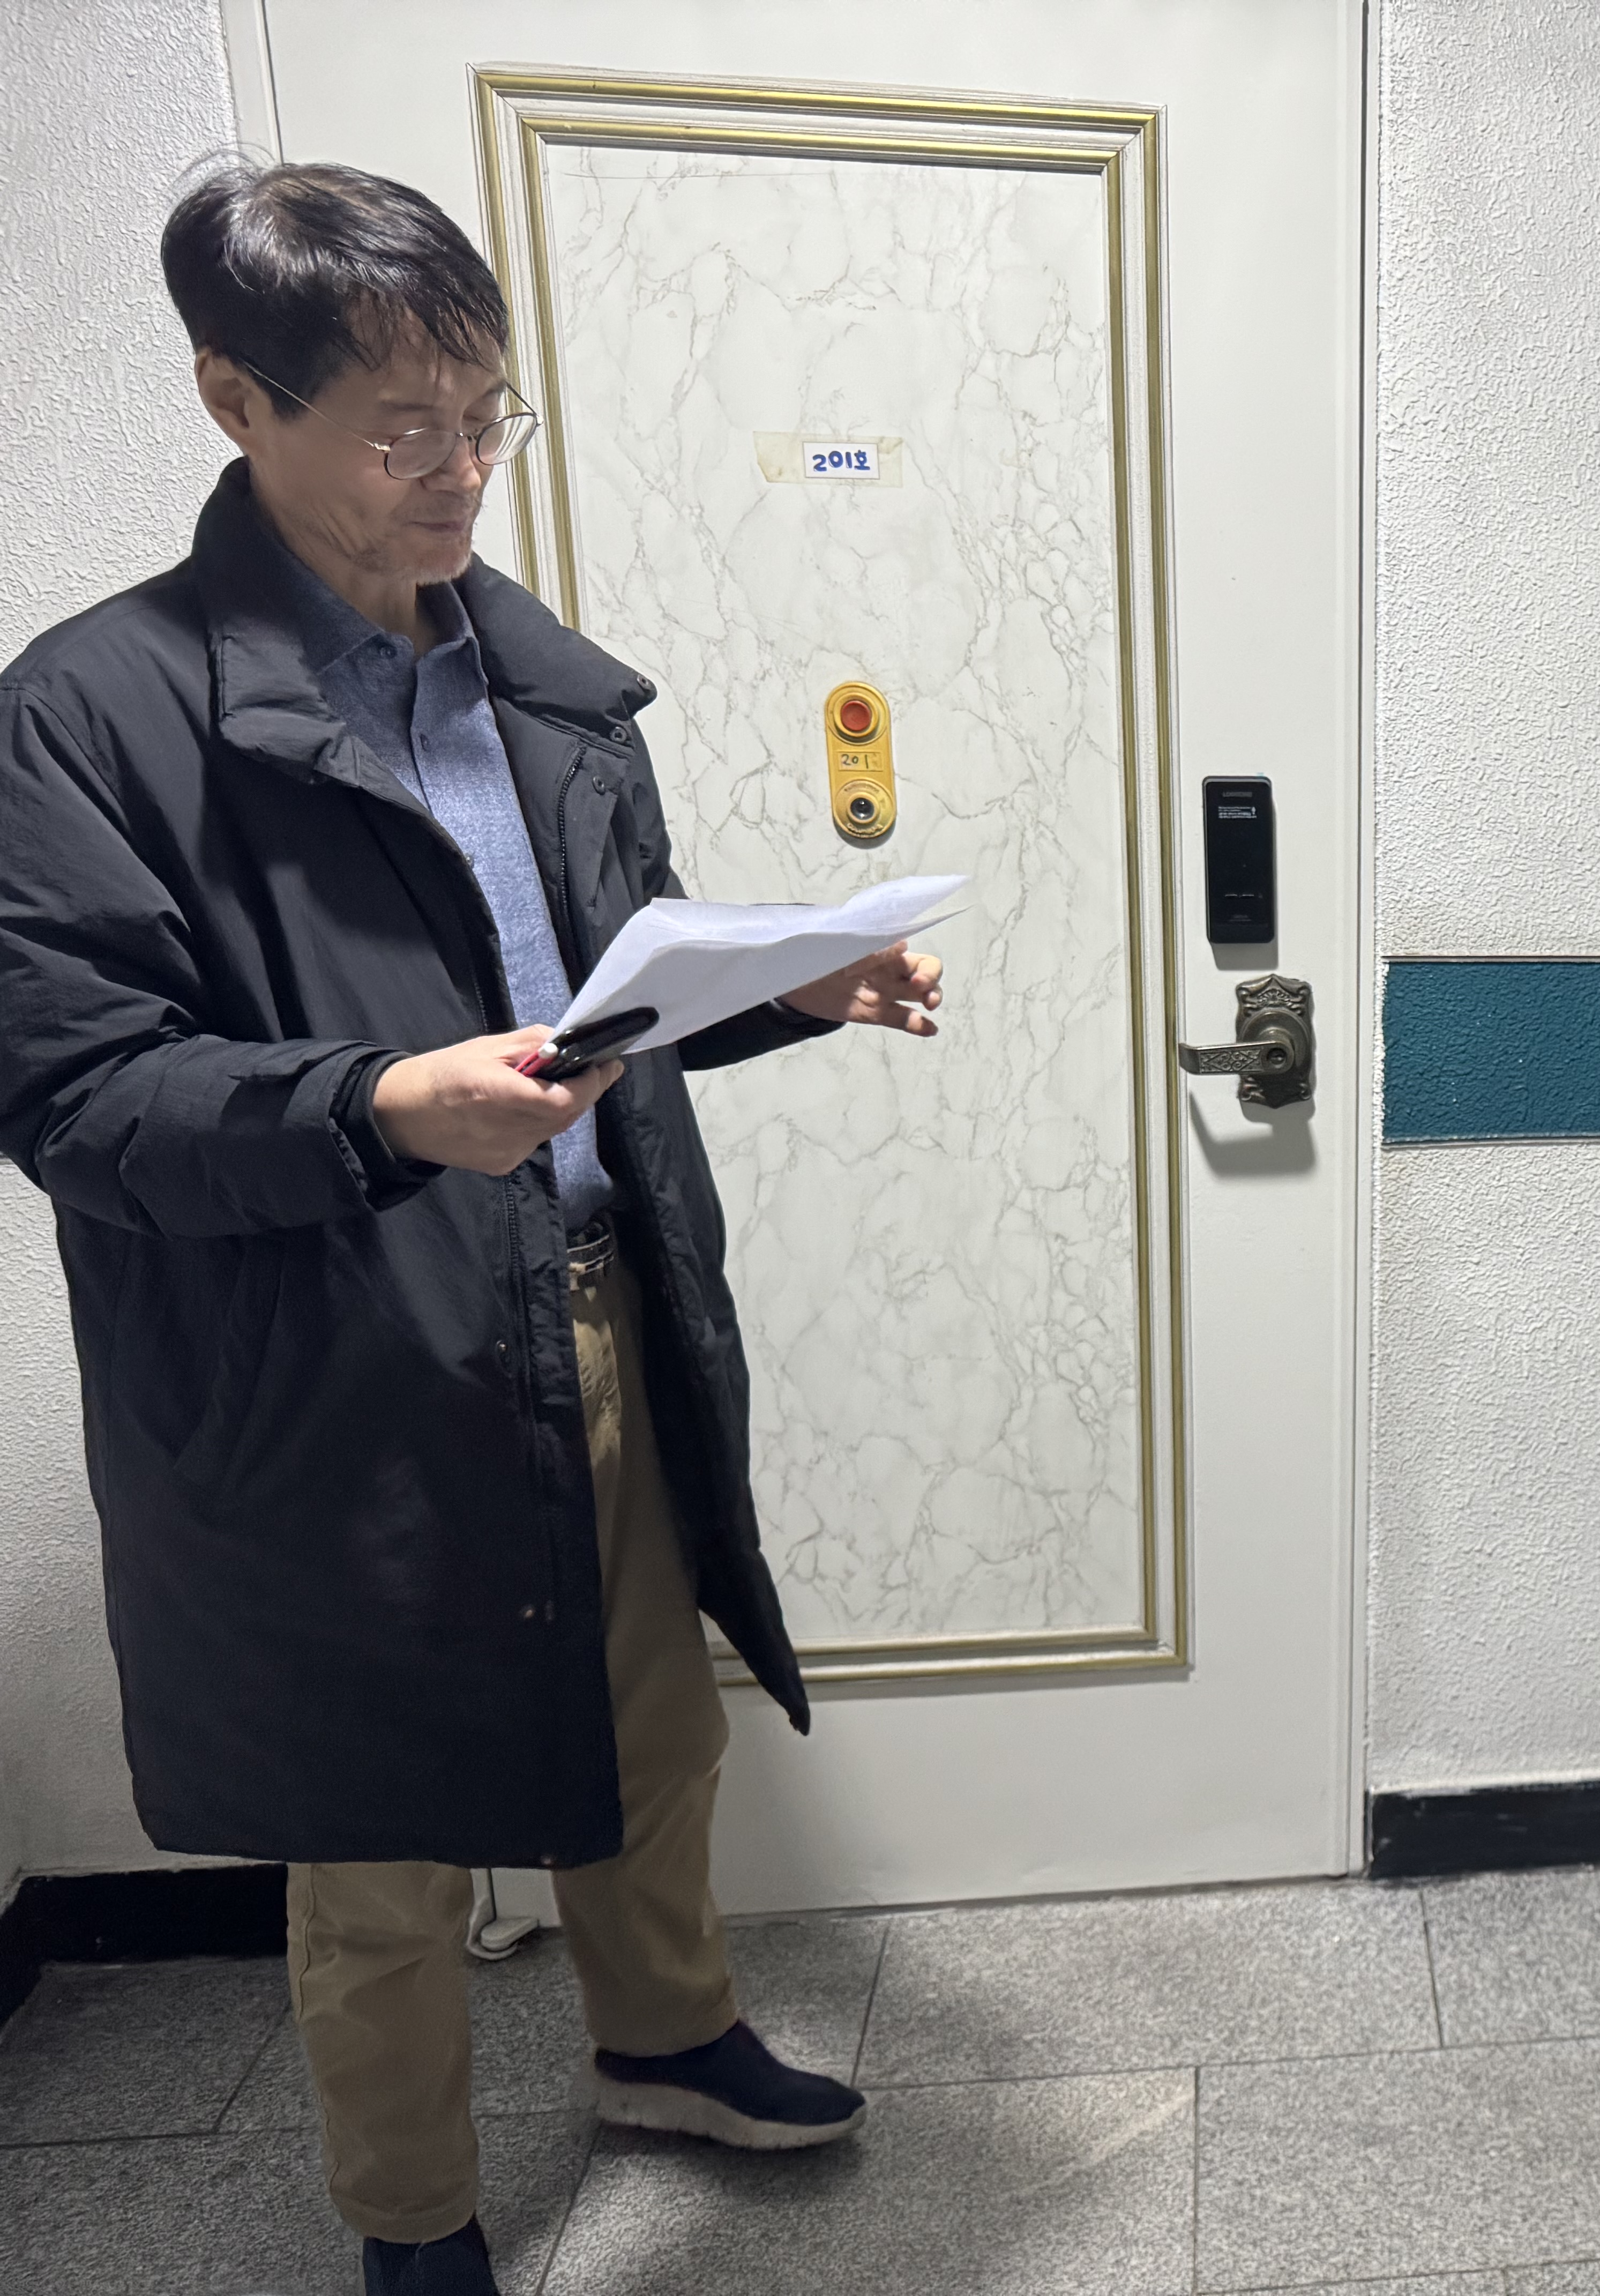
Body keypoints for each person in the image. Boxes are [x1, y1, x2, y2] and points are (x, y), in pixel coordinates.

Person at [0, 162, 945, 2296]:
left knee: (659, 1727)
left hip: (599, 1300)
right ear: (236, 400)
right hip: (337, 1363)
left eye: (489, 415)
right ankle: (413, 2221)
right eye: (401, 429)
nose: (460, 471)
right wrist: (373, 1109)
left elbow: (605, 992)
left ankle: (667, 2041)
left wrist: (783, 987)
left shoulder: (534, 688)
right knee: (385, 1840)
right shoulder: (90, 716)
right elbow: (77, 1097)